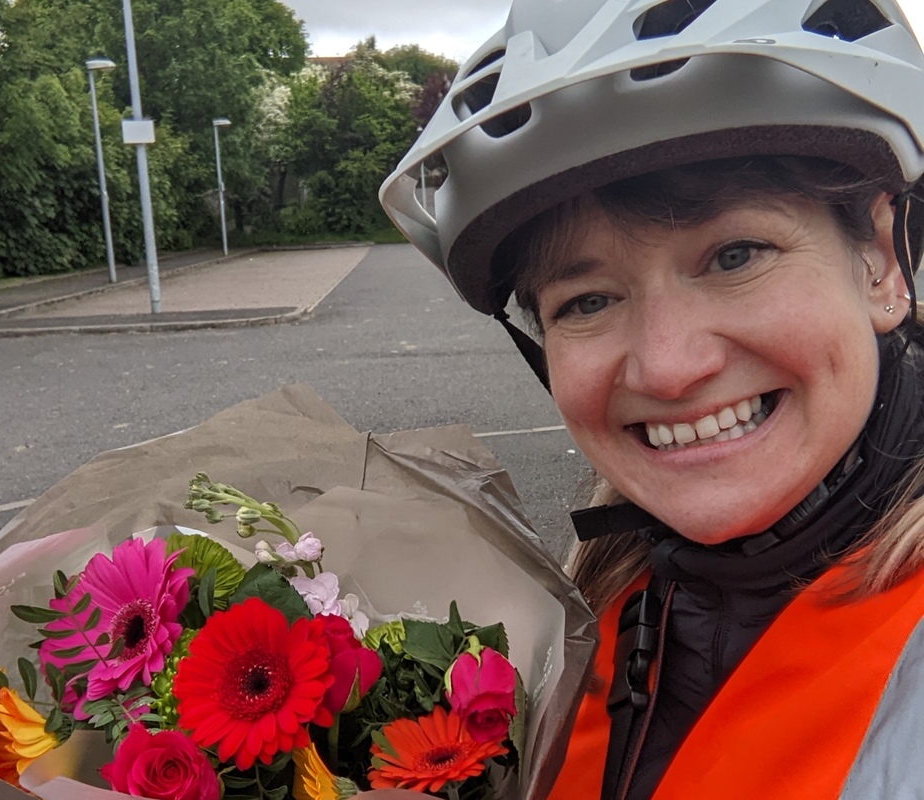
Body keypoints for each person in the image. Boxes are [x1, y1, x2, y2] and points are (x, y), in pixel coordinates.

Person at [380, 1, 924, 798]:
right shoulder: (582, 616)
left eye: (736, 255)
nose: (669, 369)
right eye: (588, 301)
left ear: (880, 261)